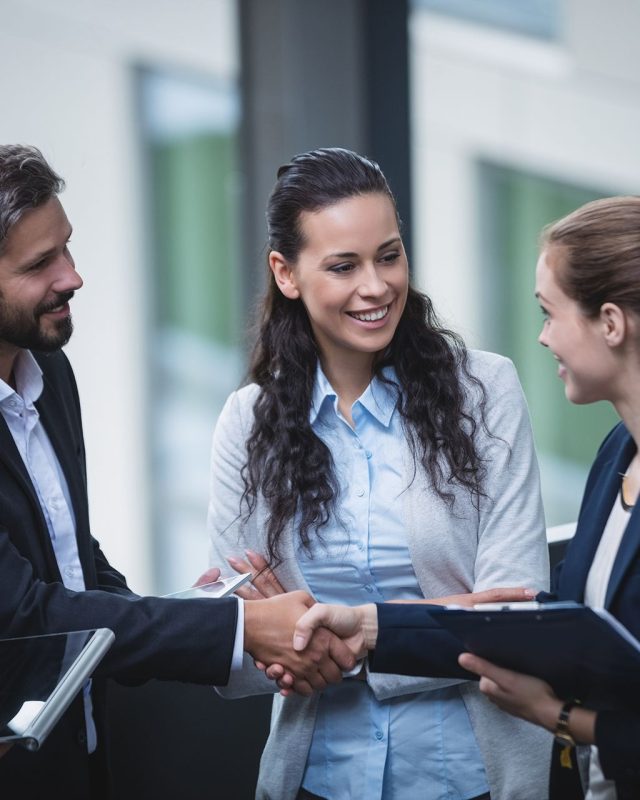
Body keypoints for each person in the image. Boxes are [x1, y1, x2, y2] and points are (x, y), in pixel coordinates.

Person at [0, 144, 354, 799]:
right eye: (40, 263)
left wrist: (205, 611)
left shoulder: (46, 371)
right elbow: (25, 616)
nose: (72, 276)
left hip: (78, 761)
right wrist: (242, 630)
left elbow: (72, 563)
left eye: (67, 248)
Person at [207, 147, 552, 800]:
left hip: (469, 778)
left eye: (389, 255)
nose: (377, 286)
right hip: (317, 781)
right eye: (344, 266)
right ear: (287, 273)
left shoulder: (486, 392)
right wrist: (436, 621)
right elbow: (239, 643)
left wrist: (339, 637)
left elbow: (511, 620)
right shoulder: (246, 423)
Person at [295, 196, 640, 800]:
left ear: (611, 323)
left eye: (550, 313)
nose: (542, 337)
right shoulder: (618, 453)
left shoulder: (494, 394)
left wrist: (558, 717)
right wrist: (367, 627)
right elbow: (561, 629)